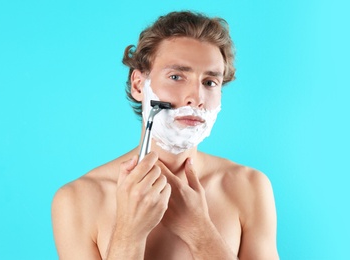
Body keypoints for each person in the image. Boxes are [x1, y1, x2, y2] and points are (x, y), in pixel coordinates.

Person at [51, 11, 279, 260]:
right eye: (176, 76)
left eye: (210, 82)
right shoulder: (78, 200)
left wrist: (199, 231)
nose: (197, 98)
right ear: (139, 84)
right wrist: (128, 233)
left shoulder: (248, 187)